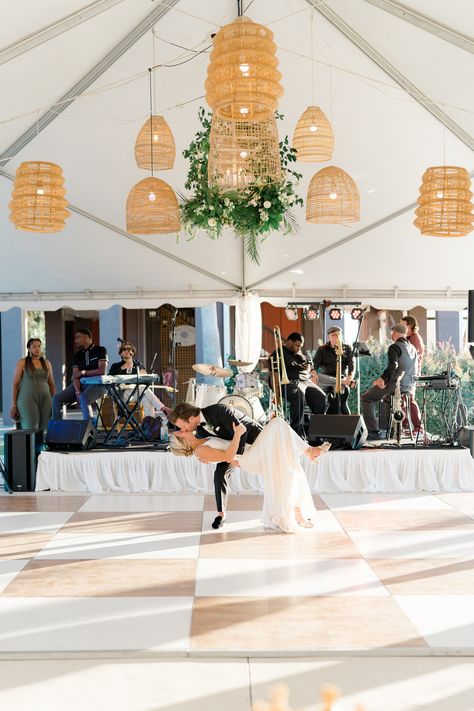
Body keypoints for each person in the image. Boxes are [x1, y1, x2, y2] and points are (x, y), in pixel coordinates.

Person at [170, 408, 330, 534]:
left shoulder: (201, 436)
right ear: (181, 441)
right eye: (179, 431)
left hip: (249, 450)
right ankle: (309, 451)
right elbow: (228, 456)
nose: (181, 429)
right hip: (247, 458)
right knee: (277, 424)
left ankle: (296, 513)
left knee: (285, 461)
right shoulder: (200, 452)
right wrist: (238, 435)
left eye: (180, 428)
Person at [170, 402, 262, 529]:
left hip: (254, 436)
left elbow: (243, 432)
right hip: (232, 448)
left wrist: (239, 458)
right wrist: (214, 458)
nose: (183, 429)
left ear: (191, 418)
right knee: (219, 474)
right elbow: (217, 447)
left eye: (183, 426)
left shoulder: (218, 411)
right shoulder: (201, 432)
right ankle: (221, 514)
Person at [361, 322, 417, 440]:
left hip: (396, 385)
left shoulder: (395, 347)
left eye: (392, 332)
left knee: (366, 398)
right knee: (387, 398)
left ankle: (373, 432)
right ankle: (390, 431)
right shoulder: (412, 348)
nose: (391, 335)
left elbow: (393, 365)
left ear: (395, 333)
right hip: (408, 386)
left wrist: (382, 379)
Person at [268, 331, 326, 436]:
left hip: (306, 381)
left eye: (300, 346)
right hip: (288, 382)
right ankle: (297, 433)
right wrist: (276, 394)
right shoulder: (278, 353)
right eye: (297, 346)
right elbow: (274, 374)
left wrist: (309, 369)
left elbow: (309, 368)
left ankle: (315, 434)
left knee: (321, 397)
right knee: (299, 394)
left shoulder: (300, 355)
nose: (299, 348)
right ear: (289, 342)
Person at [52, 328, 108, 421]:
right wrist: (77, 392)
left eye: (78, 337)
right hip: (80, 384)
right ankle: (58, 428)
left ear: (86, 337)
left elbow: (102, 371)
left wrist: (83, 372)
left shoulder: (101, 350)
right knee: (56, 399)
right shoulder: (77, 355)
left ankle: (89, 430)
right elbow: (75, 376)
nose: (76, 340)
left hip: (98, 384)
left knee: (84, 397)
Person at [109, 342, 171, 419]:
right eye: (124, 349)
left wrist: (144, 376)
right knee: (143, 389)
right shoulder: (116, 365)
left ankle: (150, 425)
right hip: (122, 394)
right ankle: (163, 408)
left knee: (147, 400)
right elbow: (109, 378)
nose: (126, 351)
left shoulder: (138, 366)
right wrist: (122, 368)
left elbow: (145, 381)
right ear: (120, 354)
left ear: (133, 352)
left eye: (129, 349)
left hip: (136, 393)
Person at [10, 338, 55, 432]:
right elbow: (15, 384)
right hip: (27, 399)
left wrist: (54, 401)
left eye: (39, 346)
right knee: (31, 429)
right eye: (34, 346)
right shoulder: (22, 362)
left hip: (46, 399)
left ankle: (42, 447)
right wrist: (13, 405)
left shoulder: (47, 363)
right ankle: (31, 447)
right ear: (29, 349)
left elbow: (51, 384)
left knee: (45, 429)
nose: (37, 349)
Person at [312, 326, 355, 414]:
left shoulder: (347, 348)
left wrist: (350, 377)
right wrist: (313, 372)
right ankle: (341, 382)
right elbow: (314, 364)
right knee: (315, 378)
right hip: (325, 379)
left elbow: (352, 365)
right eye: (334, 335)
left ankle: (342, 381)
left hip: (342, 376)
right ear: (329, 337)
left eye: (339, 335)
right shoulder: (322, 349)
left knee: (342, 398)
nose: (337, 337)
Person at [401, 315, 424, 433]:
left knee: (409, 399)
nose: (402, 327)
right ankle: (406, 425)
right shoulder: (409, 338)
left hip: (411, 374)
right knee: (403, 400)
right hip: (407, 374)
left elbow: (411, 358)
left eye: (404, 325)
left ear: (411, 325)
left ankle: (418, 427)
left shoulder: (415, 339)